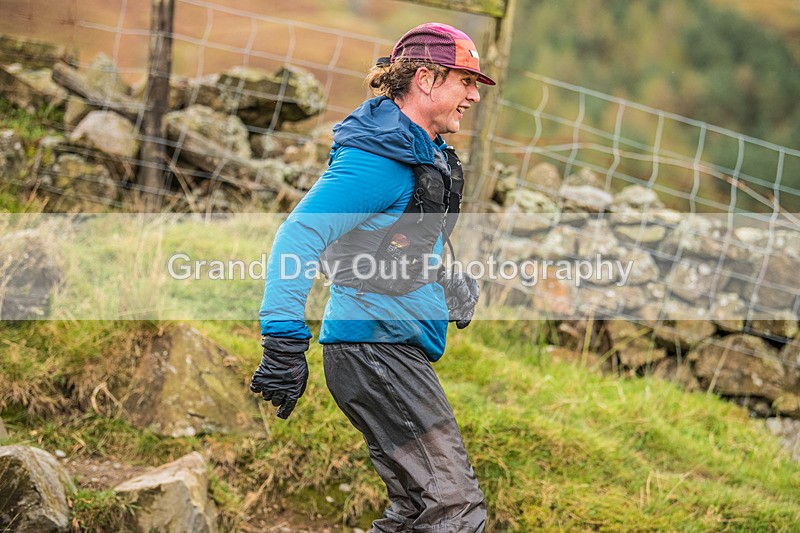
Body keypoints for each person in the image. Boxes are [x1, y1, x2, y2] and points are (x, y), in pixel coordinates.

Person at [250, 22, 494, 532]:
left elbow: (382, 247)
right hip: (374, 349)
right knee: (455, 508)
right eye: (465, 81)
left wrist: (440, 280)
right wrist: (283, 340)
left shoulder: (418, 152)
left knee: (414, 512)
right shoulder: (376, 162)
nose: (473, 95)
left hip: (387, 345)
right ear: (425, 79)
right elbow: (298, 239)